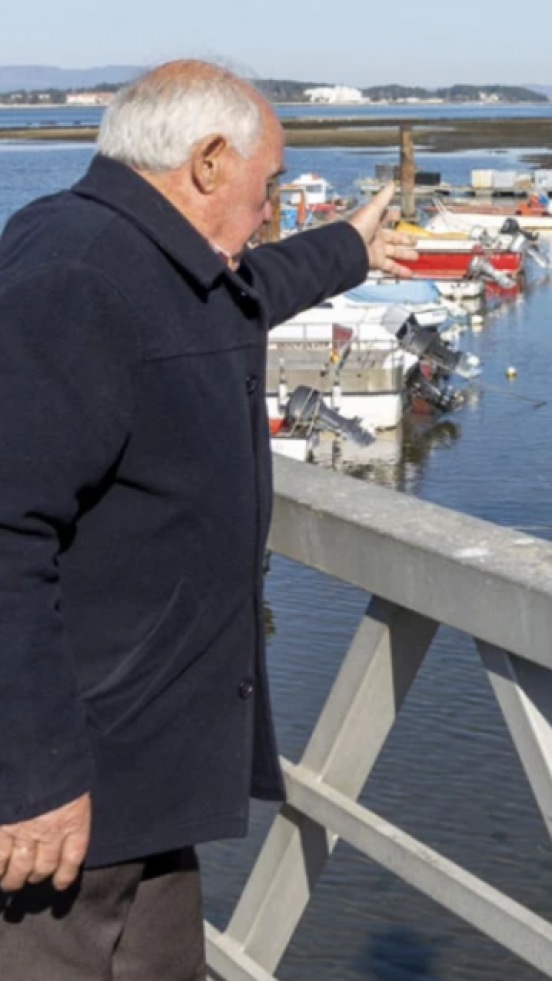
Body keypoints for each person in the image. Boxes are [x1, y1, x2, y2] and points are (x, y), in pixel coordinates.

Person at [0, 60, 415, 980]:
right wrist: (30, 779)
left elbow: (243, 293)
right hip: (65, 796)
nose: (270, 210)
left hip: (146, 776)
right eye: (268, 185)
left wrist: (348, 246)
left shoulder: (141, 256)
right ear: (209, 161)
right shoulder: (77, 277)